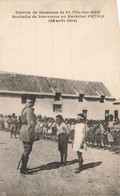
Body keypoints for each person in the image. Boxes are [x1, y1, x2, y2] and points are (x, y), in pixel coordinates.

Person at [20, 98, 37, 174]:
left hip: (23, 130)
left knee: (26, 149)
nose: (34, 104)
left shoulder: (23, 109)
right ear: (31, 102)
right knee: (27, 150)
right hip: (28, 132)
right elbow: (31, 124)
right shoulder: (29, 111)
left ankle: (23, 167)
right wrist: (34, 134)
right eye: (33, 103)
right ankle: (23, 169)